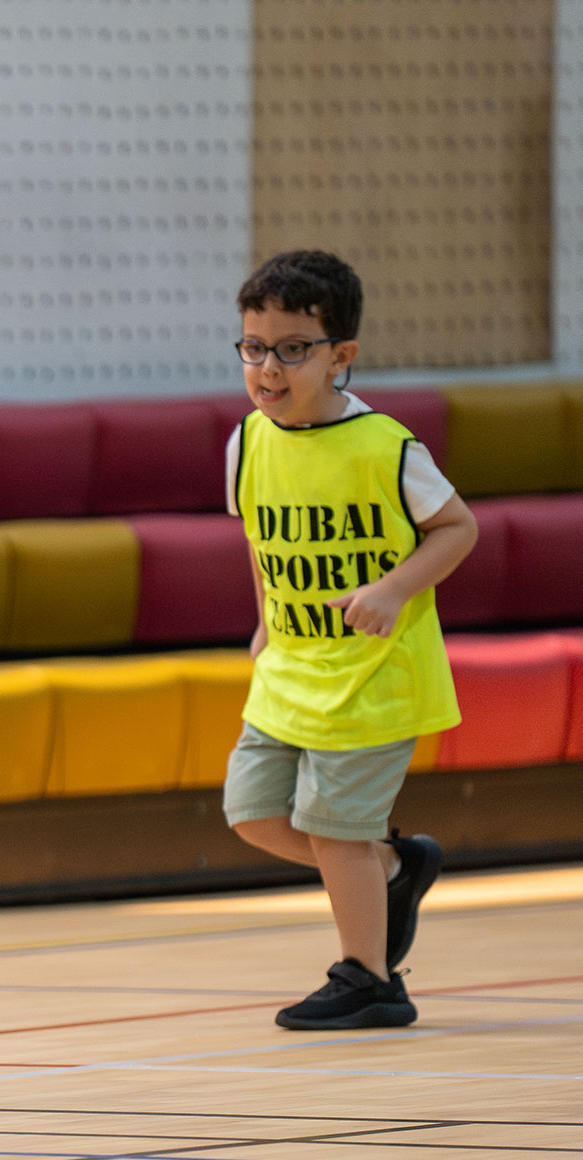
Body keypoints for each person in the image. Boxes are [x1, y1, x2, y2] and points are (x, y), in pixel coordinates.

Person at [224, 249, 476, 1029]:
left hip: (374, 676)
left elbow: (458, 528)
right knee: (255, 813)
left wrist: (395, 588)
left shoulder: (387, 448)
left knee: (336, 832)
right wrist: (268, 620)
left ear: (341, 356)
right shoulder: (247, 443)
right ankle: (395, 868)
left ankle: (369, 977)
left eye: (292, 349)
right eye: (254, 348)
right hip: (292, 671)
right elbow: (264, 542)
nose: (269, 367)